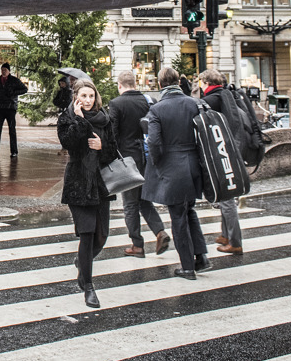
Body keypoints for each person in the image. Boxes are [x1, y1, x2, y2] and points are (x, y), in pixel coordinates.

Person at [144, 67, 210, 280]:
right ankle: (201, 257)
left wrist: (157, 162)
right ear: (178, 83)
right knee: (189, 210)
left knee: (178, 216)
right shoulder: (194, 104)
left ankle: (187, 267)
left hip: (172, 167)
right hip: (193, 164)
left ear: (161, 84)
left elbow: (153, 142)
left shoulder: (157, 109)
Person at [58, 77, 117, 308]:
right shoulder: (67, 118)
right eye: (83, 96)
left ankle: (82, 264)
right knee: (87, 233)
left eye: (91, 96)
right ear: (76, 98)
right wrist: (81, 122)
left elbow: (113, 150)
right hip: (78, 181)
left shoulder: (105, 119)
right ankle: (88, 286)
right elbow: (68, 144)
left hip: (100, 182)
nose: (88, 100)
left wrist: (103, 147)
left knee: (103, 235)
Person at [108, 69, 170, 256]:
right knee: (144, 200)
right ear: (135, 83)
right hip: (147, 157)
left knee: (130, 204)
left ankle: (137, 245)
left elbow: (112, 134)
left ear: (120, 85)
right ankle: (160, 231)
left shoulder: (116, 103)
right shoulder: (148, 101)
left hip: (128, 159)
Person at [198, 68, 256, 255]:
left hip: (222, 150)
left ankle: (235, 241)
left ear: (205, 82)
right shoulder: (227, 94)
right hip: (234, 147)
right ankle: (225, 234)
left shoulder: (210, 100)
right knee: (227, 194)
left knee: (226, 198)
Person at [0, 63, 27, 159]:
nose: (3, 72)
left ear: (9, 71)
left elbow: (24, 89)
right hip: (0, 108)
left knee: (12, 130)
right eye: (2, 70)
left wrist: (14, 93)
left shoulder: (14, 80)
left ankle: (14, 151)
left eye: (5, 70)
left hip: (10, 108)